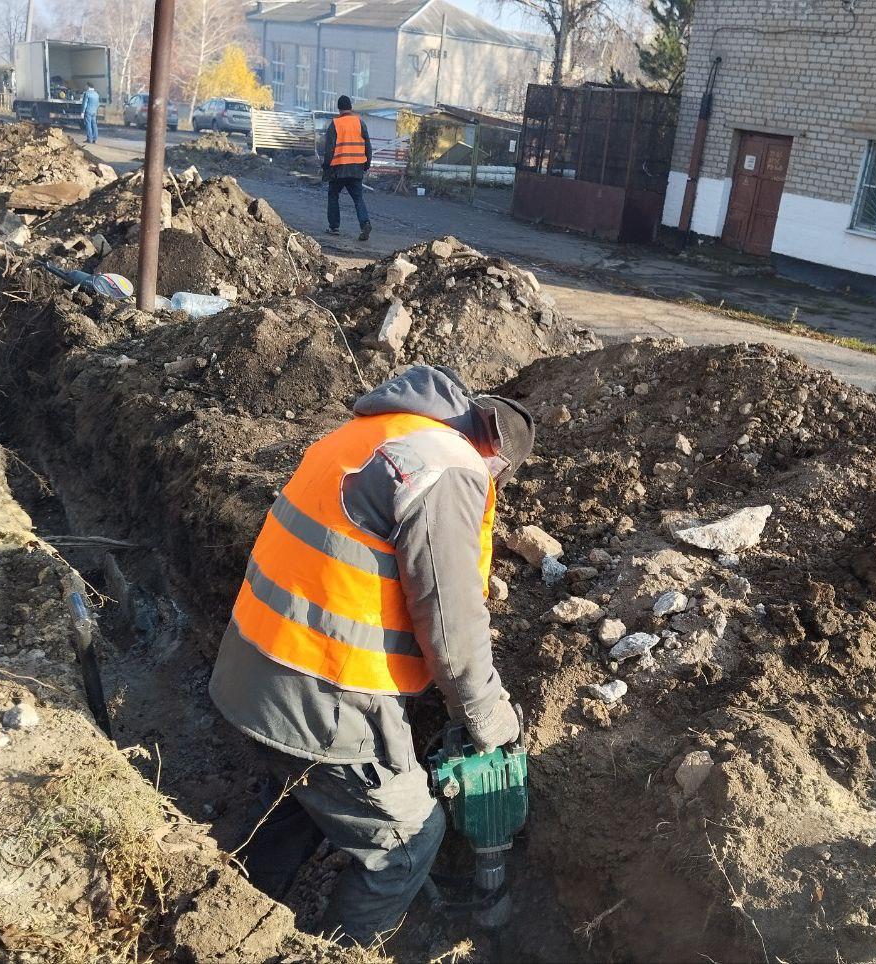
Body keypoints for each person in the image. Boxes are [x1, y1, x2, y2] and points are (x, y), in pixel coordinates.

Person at [209, 364, 535, 946]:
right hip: (318, 694)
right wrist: (488, 717)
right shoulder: (450, 469)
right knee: (410, 840)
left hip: (251, 670)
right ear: (496, 459)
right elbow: (451, 619)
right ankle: (341, 954)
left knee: (300, 802)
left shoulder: (375, 432)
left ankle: (222, 923)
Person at [322, 94, 372, 241]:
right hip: (356, 168)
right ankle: (365, 224)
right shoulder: (360, 122)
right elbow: (368, 145)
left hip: (339, 168)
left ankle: (334, 227)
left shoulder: (335, 124)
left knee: (333, 196)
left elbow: (329, 150)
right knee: (358, 199)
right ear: (350, 107)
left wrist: (326, 167)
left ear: (339, 109)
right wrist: (367, 163)